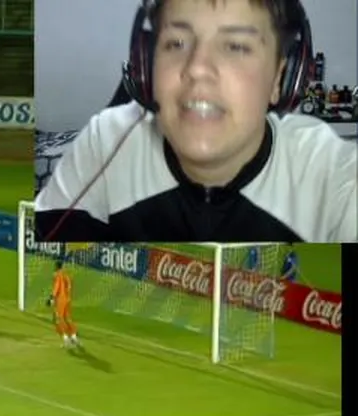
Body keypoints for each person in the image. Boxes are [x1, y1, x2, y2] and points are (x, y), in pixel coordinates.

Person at [34, 0, 356, 243]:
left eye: (236, 46)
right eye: (176, 43)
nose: (198, 68)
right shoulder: (105, 141)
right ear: (146, 64)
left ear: (281, 79)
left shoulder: (335, 176)